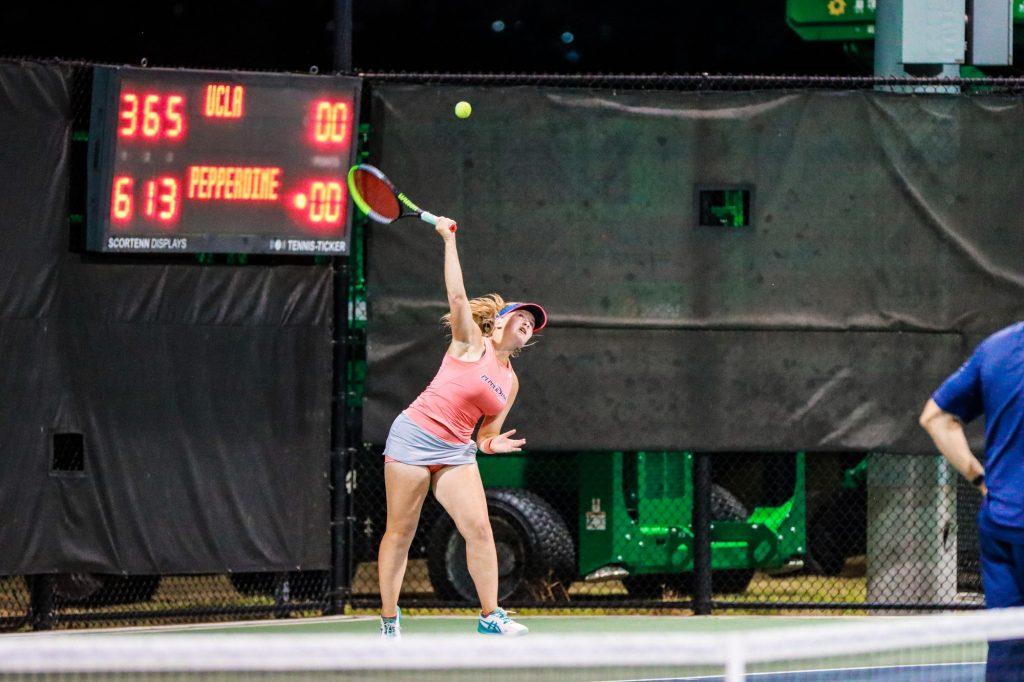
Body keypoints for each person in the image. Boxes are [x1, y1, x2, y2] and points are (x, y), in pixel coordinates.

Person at [377, 215, 547, 640]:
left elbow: (484, 436)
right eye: (521, 319)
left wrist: (492, 447)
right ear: (501, 321)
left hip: (455, 452)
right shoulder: (471, 342)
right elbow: (457, 295)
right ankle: (389, 621)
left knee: (480, 528)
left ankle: (490, 616)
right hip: (413, 437)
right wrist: (447, 239)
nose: (527, 326)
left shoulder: (510, 381)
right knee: (401, 530)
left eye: (532, 326)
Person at [920, 321, 1024, 681]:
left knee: (1007, 649)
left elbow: (934, 417)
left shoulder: (996, 349)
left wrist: (981, 481)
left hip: (1001, 524)